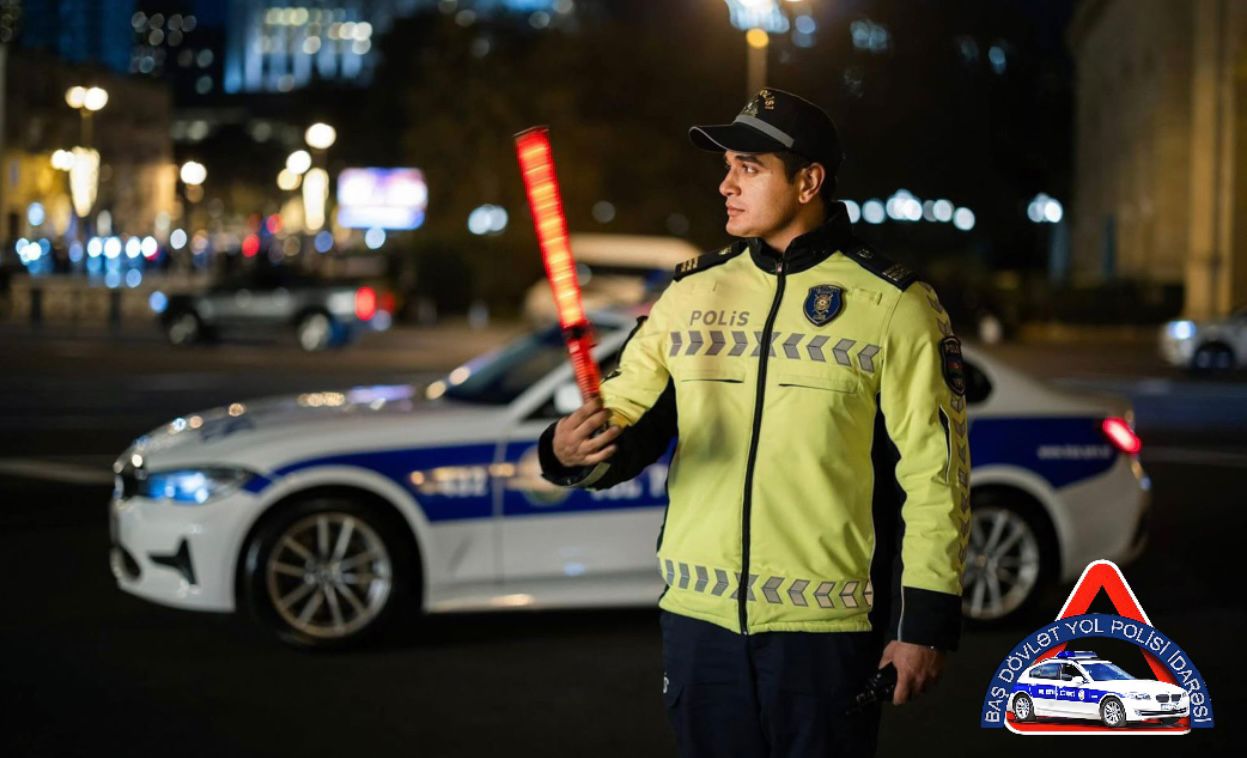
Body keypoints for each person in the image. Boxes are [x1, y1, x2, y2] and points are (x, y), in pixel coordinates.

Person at [538, 88, 971, 757]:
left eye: (748, 167)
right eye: (727, 167)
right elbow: (626, 424)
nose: (725, 185)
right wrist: (570, 451)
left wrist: (924, 625)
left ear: (808, 181)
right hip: (698, 622)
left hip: (826, 631)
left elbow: (935, 476)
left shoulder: (895, 304)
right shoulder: (688, 293)